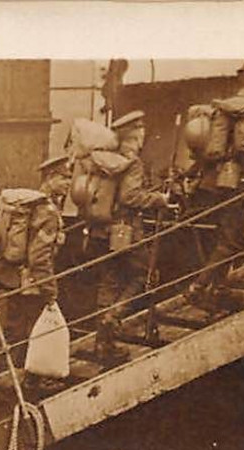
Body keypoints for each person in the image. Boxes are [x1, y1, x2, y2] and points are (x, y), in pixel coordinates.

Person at [187, 60, 244, 309]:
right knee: (234, 239)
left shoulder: (223, 108)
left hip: (214, 182)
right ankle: (200, 287)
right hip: (235, 181)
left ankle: (217, 287)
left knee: (227, 237)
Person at [0, 164, 68, 390]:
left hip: (14, 278)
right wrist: (50, 290)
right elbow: (39, 257)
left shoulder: (28, 205)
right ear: (52, 178)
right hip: (32, 282)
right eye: (65, 178)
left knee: (13, 328)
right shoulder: (48, 212)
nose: (69, 184)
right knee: (33, 329)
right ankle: (28, 379)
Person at [94, 113, 172, 364]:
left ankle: (102, 343)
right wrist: (159, 200)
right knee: (144, 274)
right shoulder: (133, 162)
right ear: (135, 135)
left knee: (110, 281)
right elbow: (130, 197)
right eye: (141, 133)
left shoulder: (108, 159)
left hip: (105, 229)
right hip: (127, 228)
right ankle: (114, 317)